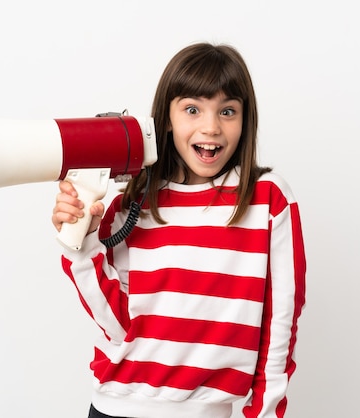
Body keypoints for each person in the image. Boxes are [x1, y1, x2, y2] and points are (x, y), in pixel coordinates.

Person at [52, 42, 306, 418]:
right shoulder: (131, 206)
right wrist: (80, 241)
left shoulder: (267, 200)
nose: (211, 127)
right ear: (166, 119)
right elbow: (117, 324)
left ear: (245, 119)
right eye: (192, 109)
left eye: (227, 111)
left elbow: (281, 323)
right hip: (111, 407)